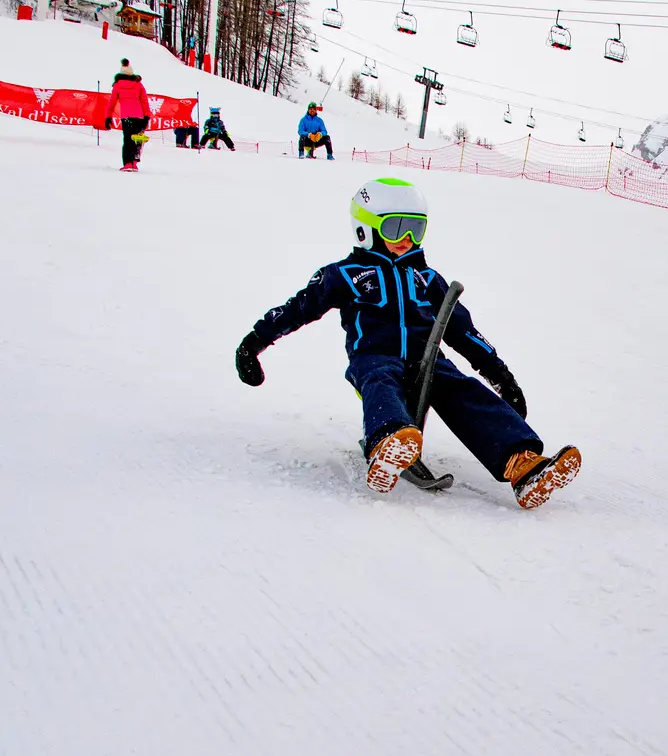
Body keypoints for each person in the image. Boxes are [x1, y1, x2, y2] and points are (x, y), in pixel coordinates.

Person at [234, 177, 581, 508]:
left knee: (463, 390)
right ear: (365, 228)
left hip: (427, 359)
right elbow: (297, 309)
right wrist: (253, 344)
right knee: (381, 379)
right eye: (395, 227)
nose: (406, 238)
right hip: (373, 356)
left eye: (415, 229)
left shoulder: (426, 277)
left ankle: (522, 464)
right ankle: (389, 441)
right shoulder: (345, 275)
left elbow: (462, 329)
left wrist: (500, 374)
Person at [109, 57, 151, 171]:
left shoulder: (117, 85)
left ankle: (127, 163)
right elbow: (144, 100)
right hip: (139, 115)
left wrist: (108, 116)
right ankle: (134, 162)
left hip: (126, 116)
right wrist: (147, 116)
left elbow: (112, 101)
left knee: (128, 139)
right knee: (137, 139)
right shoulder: (138, 84)